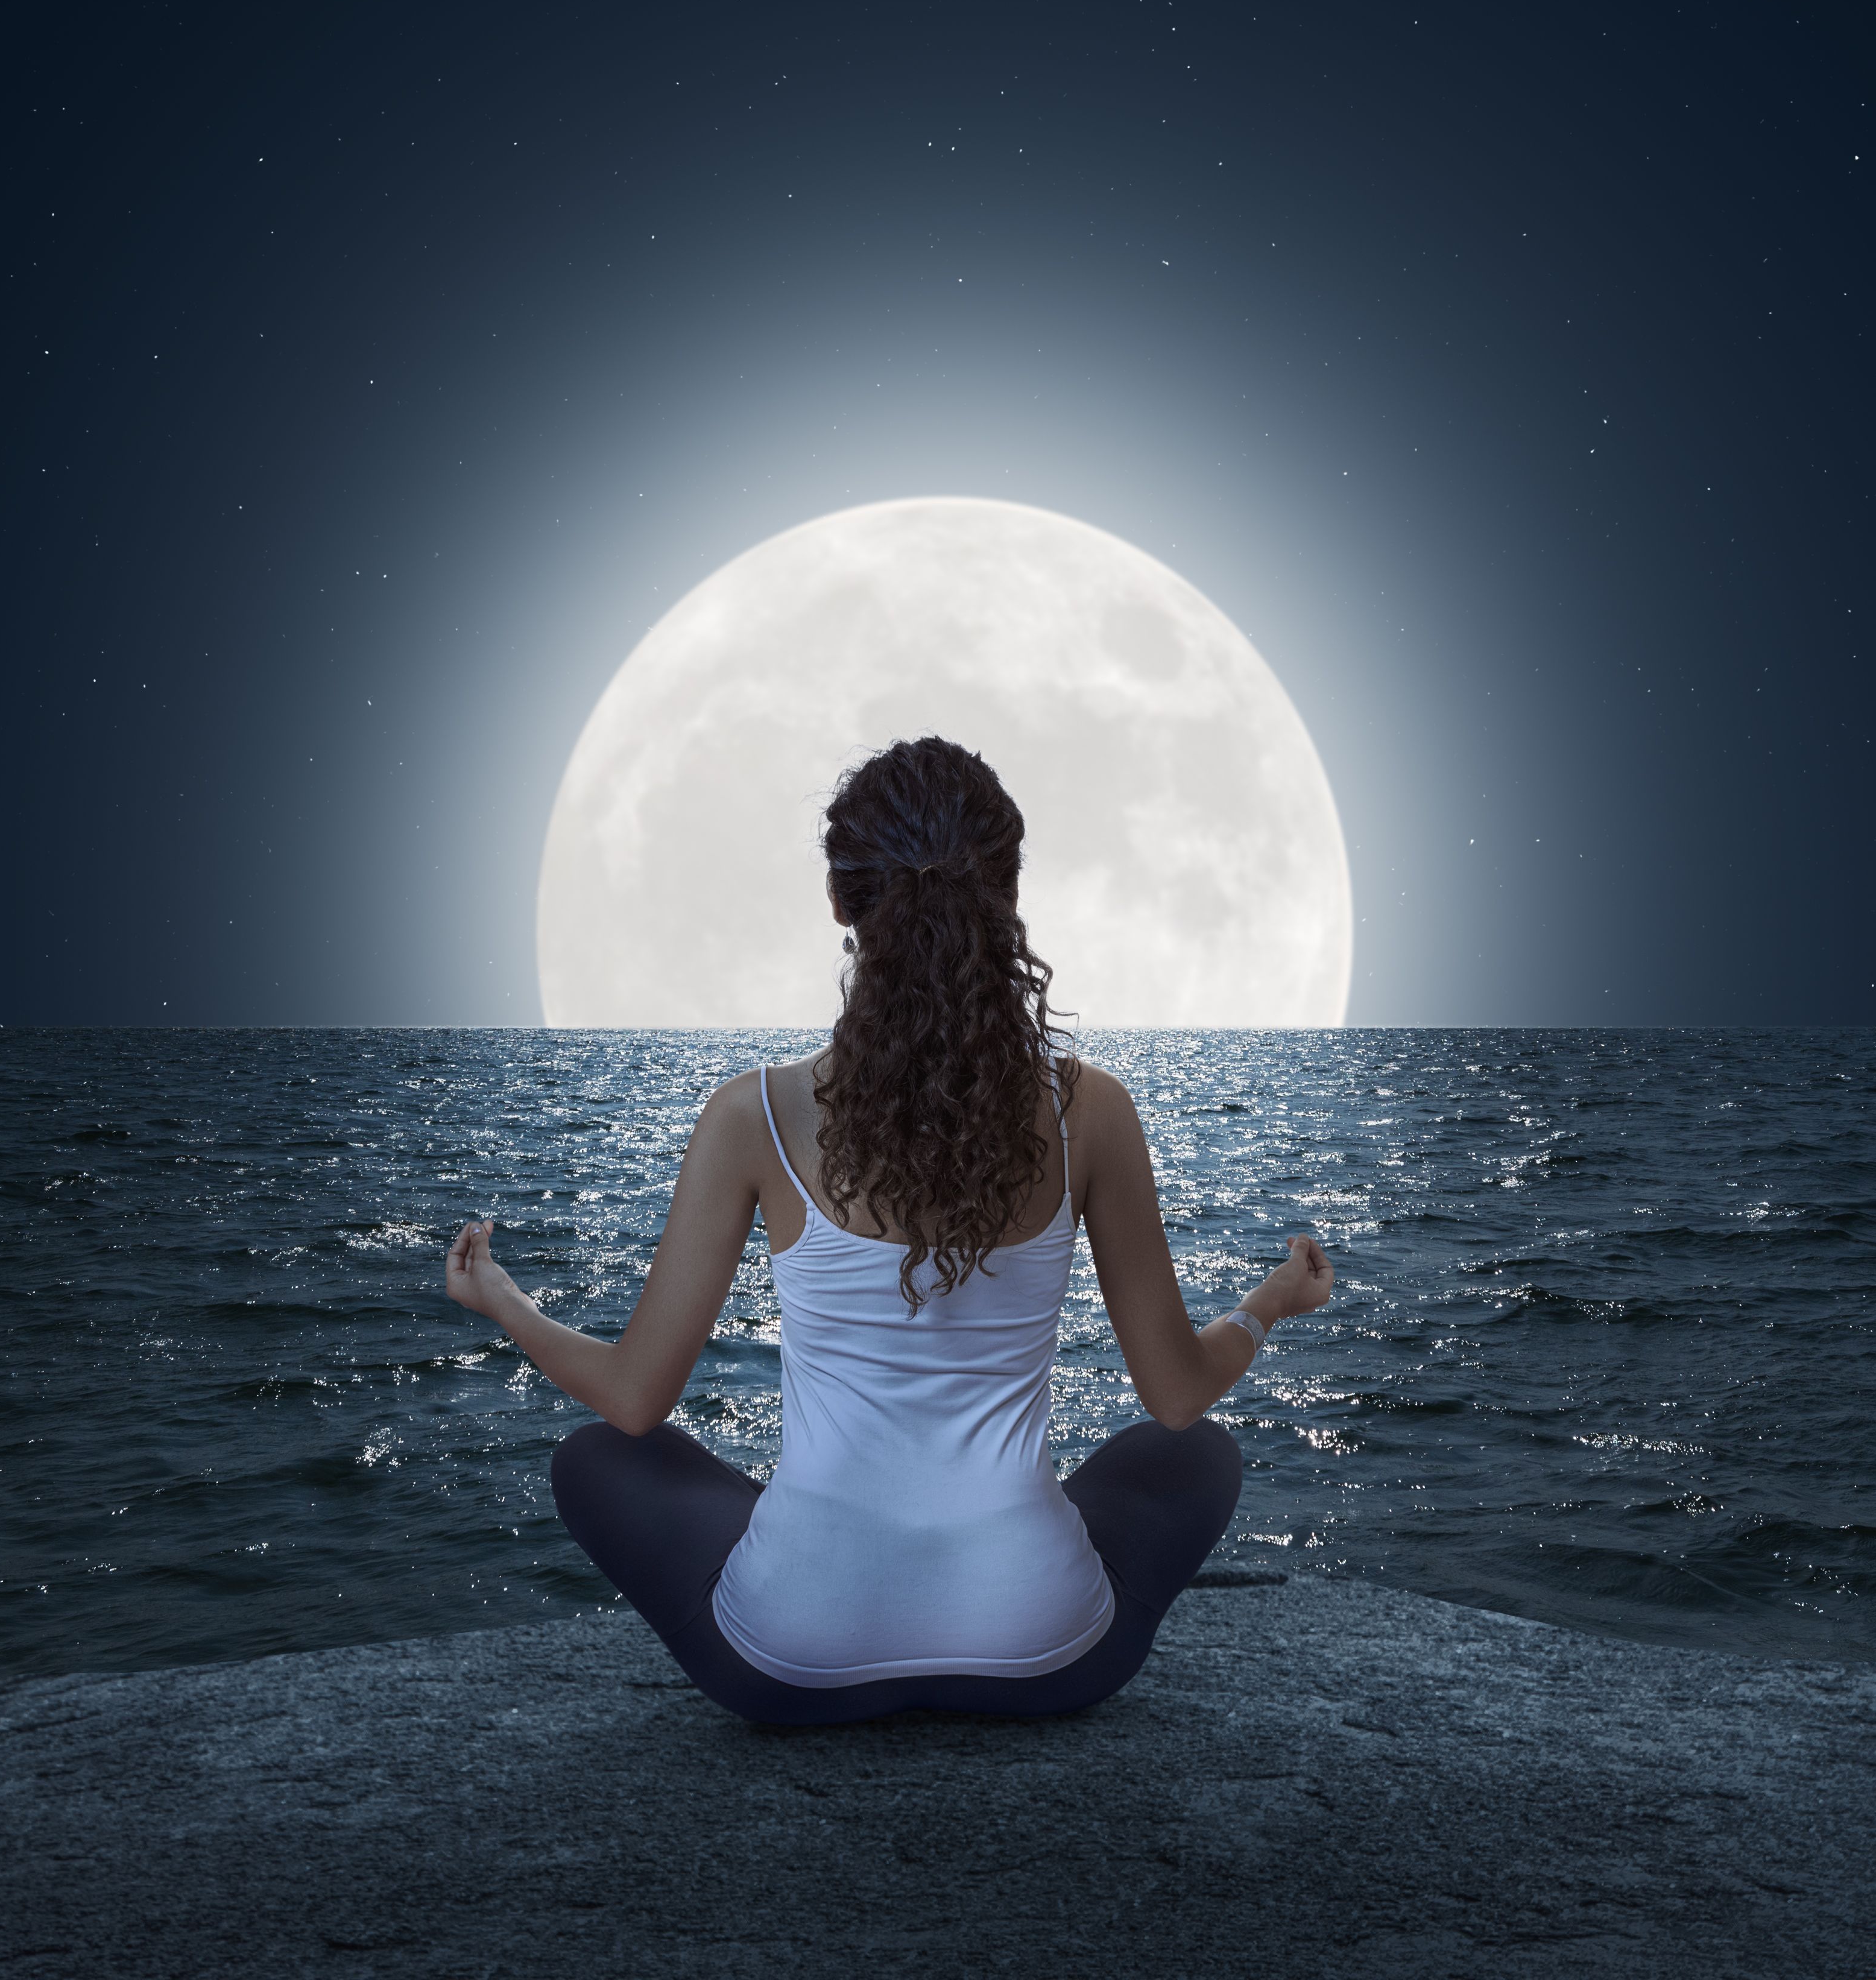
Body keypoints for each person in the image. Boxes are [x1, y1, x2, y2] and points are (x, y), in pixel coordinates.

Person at [441, 735, 1333, 1725]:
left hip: (789, 1664)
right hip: (1043, 1656)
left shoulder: (752, 1116)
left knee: (596, 1459)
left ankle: (825, 1562)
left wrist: (504, 1300)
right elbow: (1175, 1396)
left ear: (840, 901)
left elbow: (633, 1400)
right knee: (1196, 1455)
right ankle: (986, 1575)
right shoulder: (1094, 1112)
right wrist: (1268, 1302)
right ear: (1009, 893)